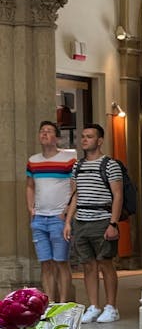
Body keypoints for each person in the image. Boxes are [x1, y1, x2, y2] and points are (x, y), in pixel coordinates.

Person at [63, 123, 122, 324]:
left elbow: (118, 194)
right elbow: (75, 195)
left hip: (102, 219)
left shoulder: (110, 164)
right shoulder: (77, 166)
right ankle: (94, 306)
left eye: (89, 136)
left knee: (106, 264)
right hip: (82, 221)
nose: (84, 140)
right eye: (83, 136)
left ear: (100, 140)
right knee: (88, 265)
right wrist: (69, 221)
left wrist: (113, 223)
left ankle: (111, 307)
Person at [25, 120, 77, 302]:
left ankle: (63, 302)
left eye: (49, 131)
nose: (44, 134)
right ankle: (49, 303)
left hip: (58, 217)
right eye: (42, 131)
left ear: (57, 137)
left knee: (61, 261)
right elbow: (30, 186)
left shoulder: (68, 159)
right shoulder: (33, 161)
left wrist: (68, 212)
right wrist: (31, 208)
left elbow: (74, 188)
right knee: (45, 263)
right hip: (39, 217)